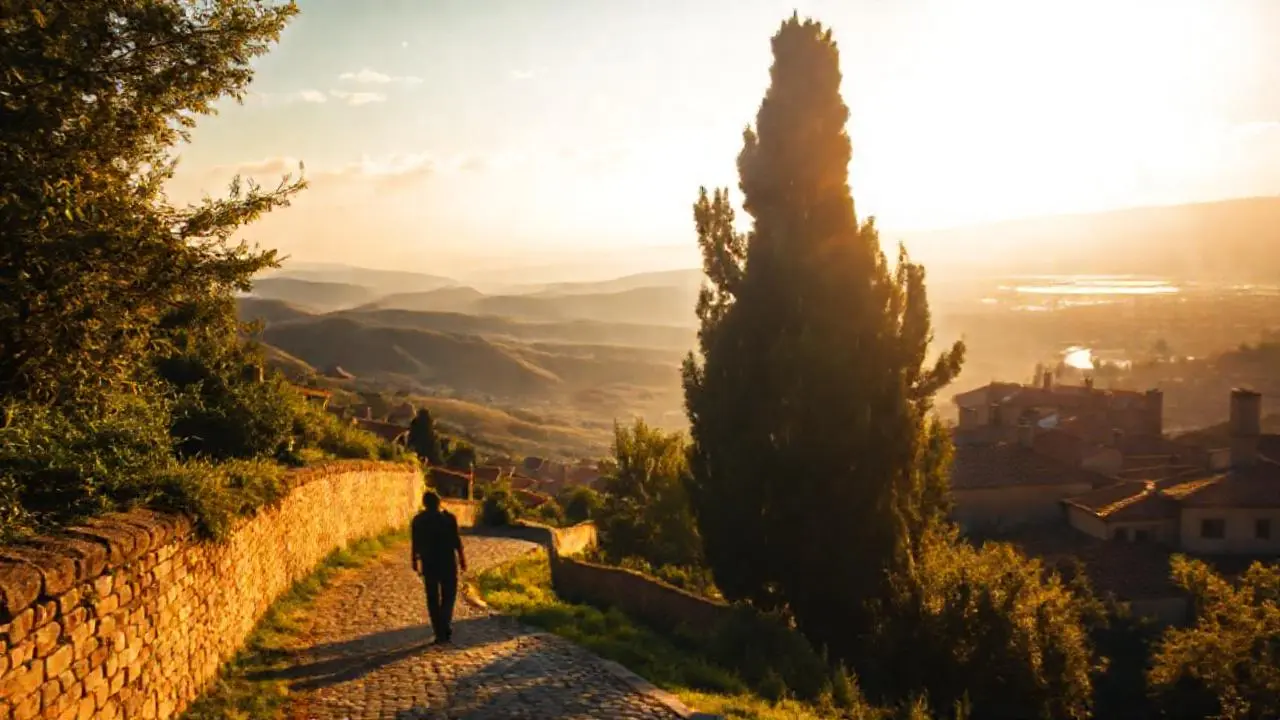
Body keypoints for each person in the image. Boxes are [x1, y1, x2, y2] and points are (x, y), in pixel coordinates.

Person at [410, 490, 467, 644]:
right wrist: (462, 559)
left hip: (429, 563)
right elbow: (457, 541)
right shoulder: (448, 519)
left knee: (432, 598)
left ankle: (438, 630)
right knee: (449, 596)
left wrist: (414, 560)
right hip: (447, 562)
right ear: (439, 502)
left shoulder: (418, 520)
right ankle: (445, 623)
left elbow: (415, 542)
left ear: (424, 503)